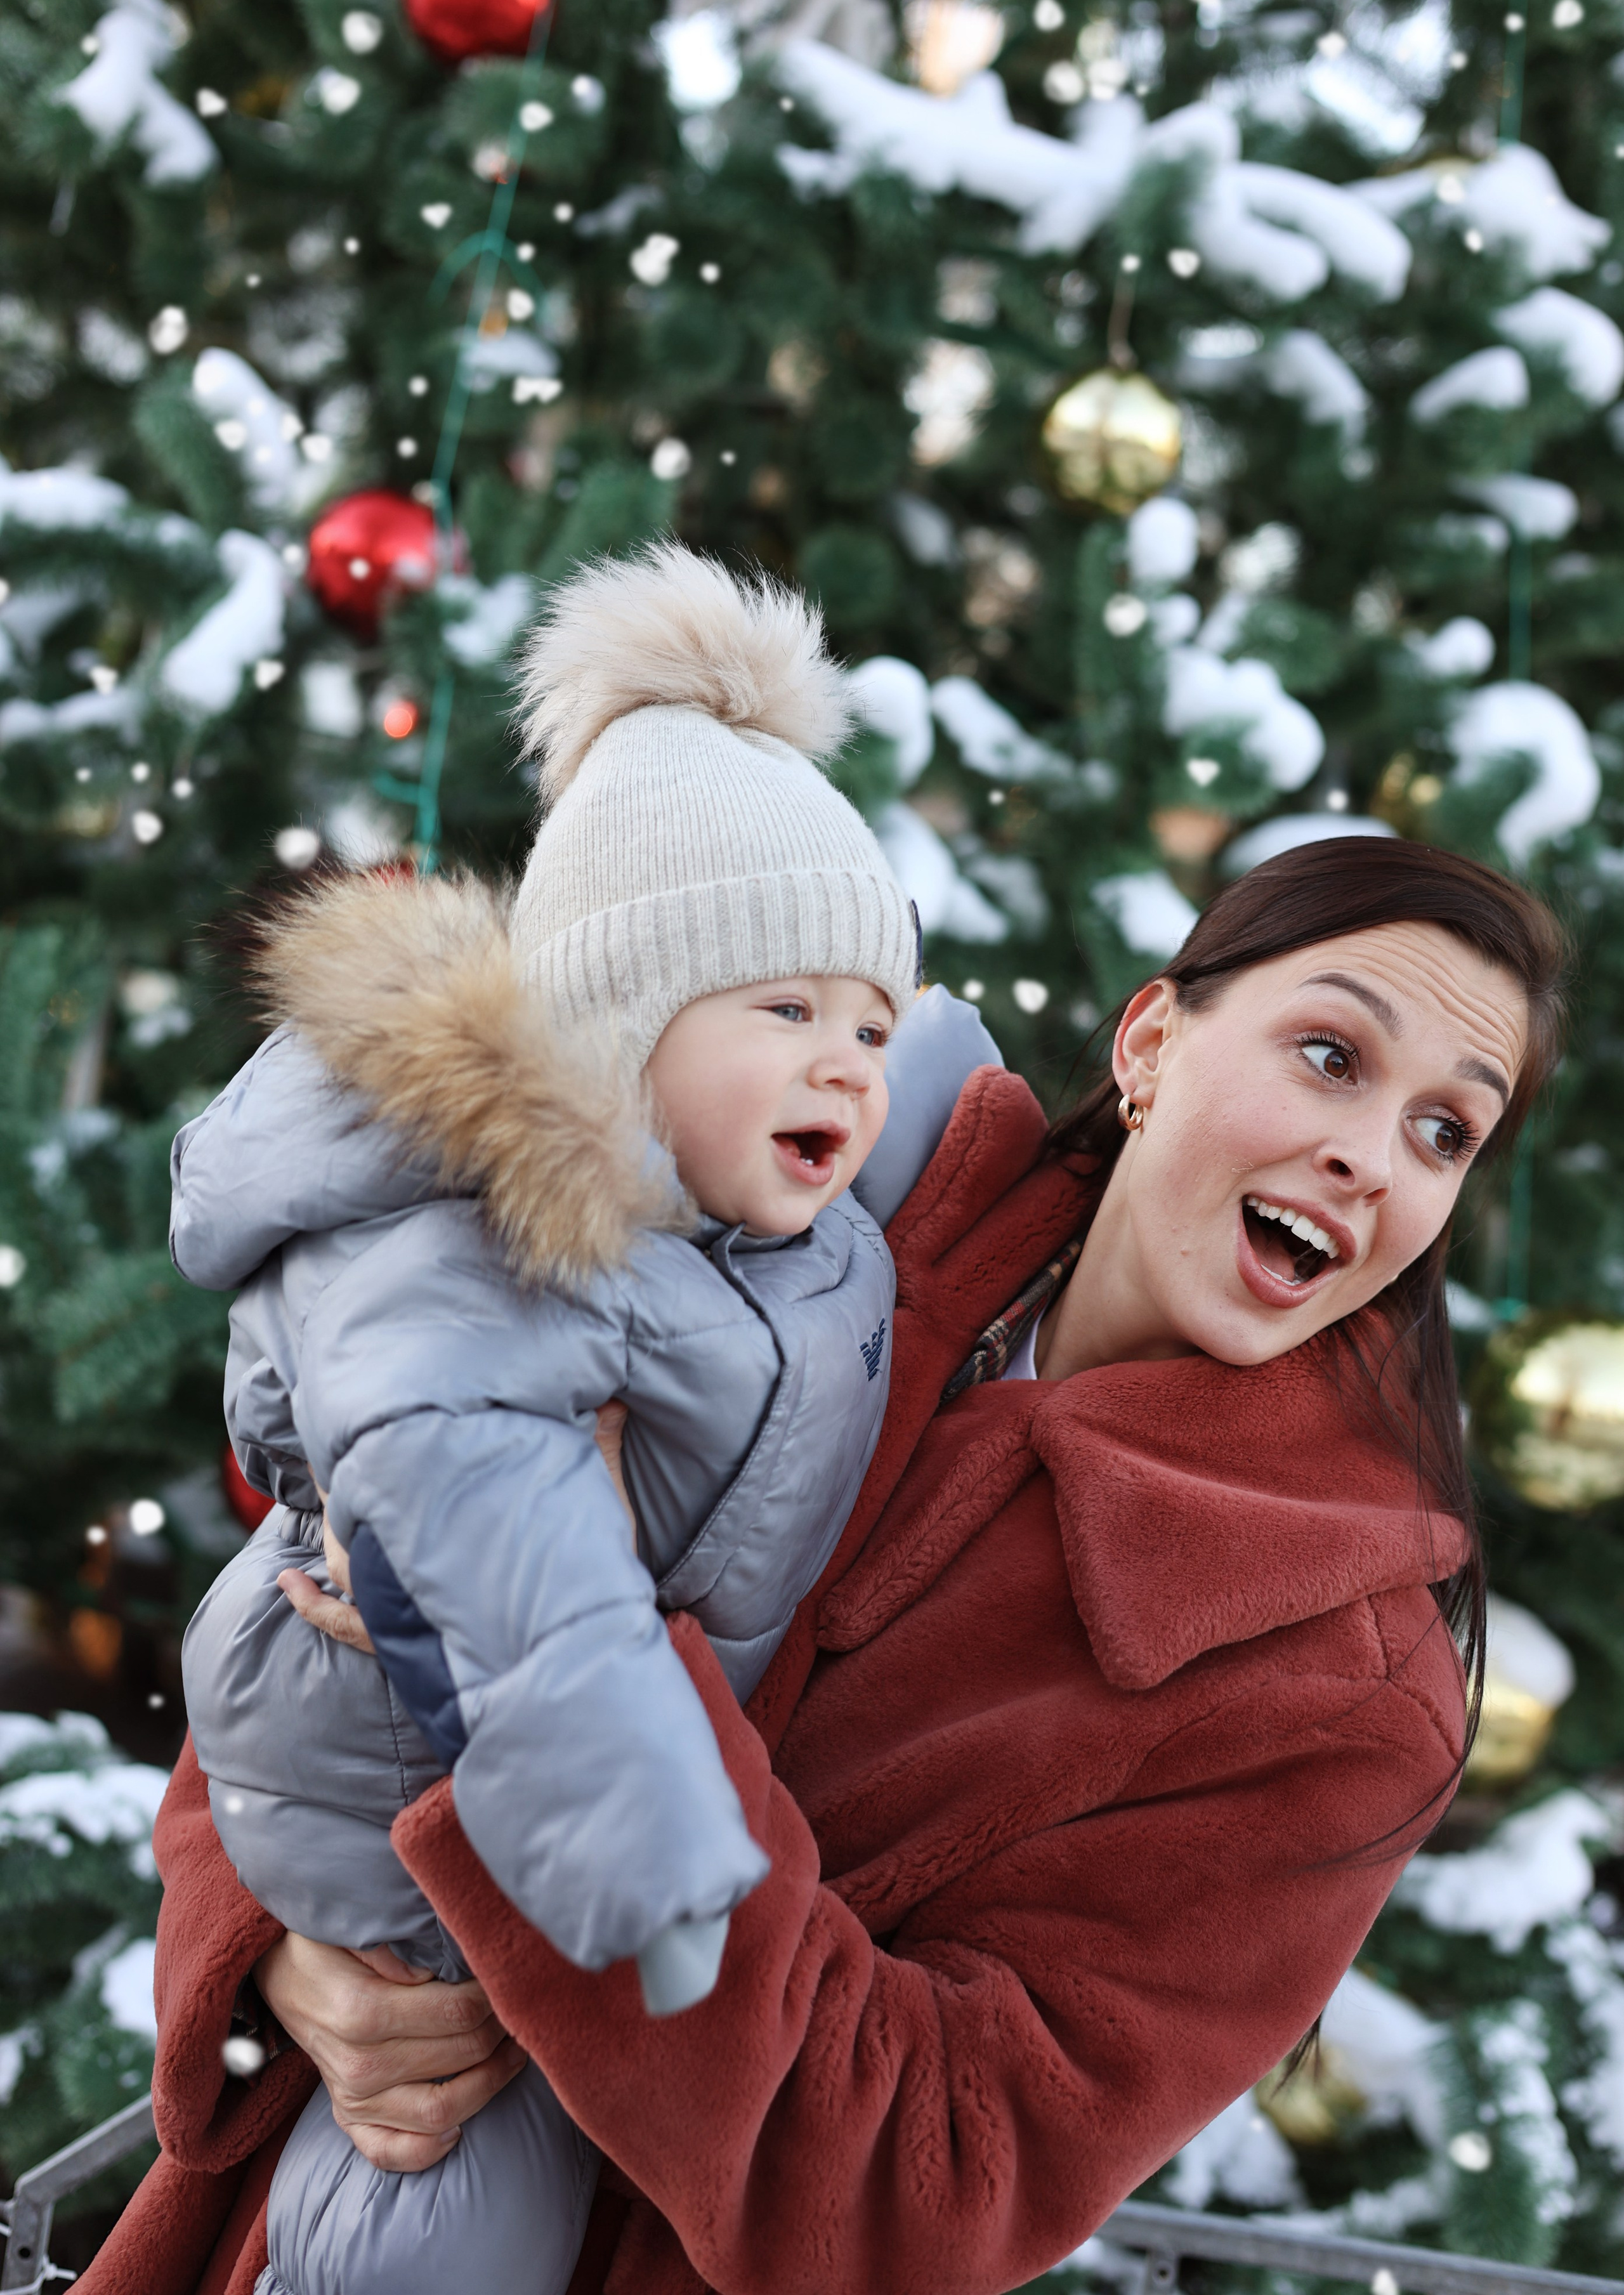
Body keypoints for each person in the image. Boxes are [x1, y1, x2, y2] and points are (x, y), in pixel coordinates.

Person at [91, 835, 1566, 2295]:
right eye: (1328, 1055)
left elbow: (929, 2181)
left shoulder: (1337, 1684)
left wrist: (572, 1634)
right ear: (1152, 1039)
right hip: (297, 2228)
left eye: (1445, 1131)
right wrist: (282, 1958)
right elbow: (325, 1583)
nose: (1369, 1156)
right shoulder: (808, 1178)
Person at [167, 544, 995, 2295]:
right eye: (787, 1010)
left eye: (869, 1018)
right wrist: (648, 1846)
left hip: (551, 1774)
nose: (848, 1060)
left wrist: (883, 1037)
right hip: (392, 1763)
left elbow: (924, 1113)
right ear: (617, 1032)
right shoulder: (495, 1247)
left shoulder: (770, 1203)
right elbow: (517, 1557)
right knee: (442, 2189)